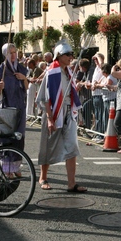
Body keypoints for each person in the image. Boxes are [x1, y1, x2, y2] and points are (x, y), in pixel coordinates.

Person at [37, 43, 86, 192]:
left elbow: (71, 94)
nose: (71, 57)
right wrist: (50, 118)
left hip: (68, 112)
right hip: (53, 112)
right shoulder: (51, 72)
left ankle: (72, 183)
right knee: (49, 145)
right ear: (59, 56)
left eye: (72, 54)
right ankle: (43, 177)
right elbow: (45, 98)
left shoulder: (69, 71)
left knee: (72, 147)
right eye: (68, 55)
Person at [0, 43, 29, 155]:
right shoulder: (0, 71)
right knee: (7, 136)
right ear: (5, 54)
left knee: (19, 135)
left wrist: (24, 79)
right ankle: (6, 165)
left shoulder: (21, 68)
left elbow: (26, 88)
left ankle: (17, 164)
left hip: (20, 107)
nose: (13, 55)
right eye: (10, 53)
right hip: (7, 107)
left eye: (14, 52)